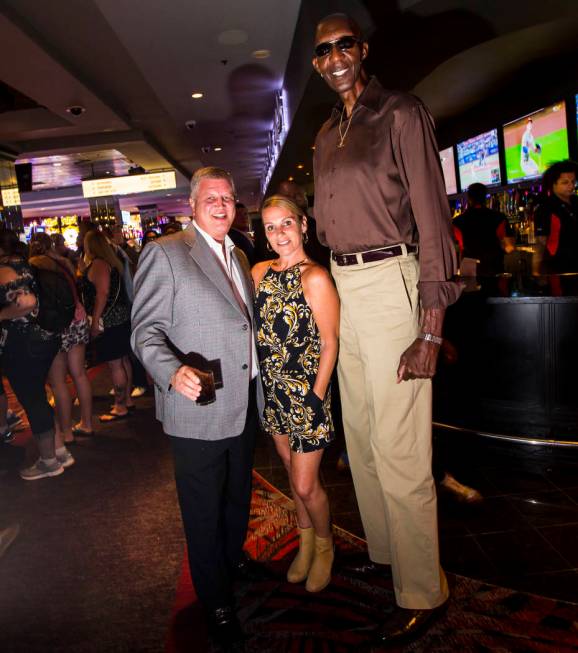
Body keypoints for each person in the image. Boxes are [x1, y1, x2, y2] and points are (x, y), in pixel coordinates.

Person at [311, 14, 462, 645]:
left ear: (363, 50)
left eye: (345, 44)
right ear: (318, 64)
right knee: (365, 441)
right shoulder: (323, 134)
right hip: (344, 289)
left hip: (393, 283)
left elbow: (433, 222)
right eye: (323, 51)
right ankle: (387, 557)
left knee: (401, 451)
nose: (335, 56)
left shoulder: (400, 112)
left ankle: (425, 589)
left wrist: (430, 330)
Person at [131, 166, 262, 648]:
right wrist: (170, 370)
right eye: (212, 198)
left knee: (237, 497)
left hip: (243, 402)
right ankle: (216, 602)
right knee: (203, 511)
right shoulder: (165, 254)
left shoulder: (239, 255)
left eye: (228, 198)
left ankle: (231, 561)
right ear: (192, 205)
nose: (222, 206)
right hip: (198, 406)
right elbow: (144, 330)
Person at [252, 195, 339, 592]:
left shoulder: (315, 276)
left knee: (306, 484)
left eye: (286, 223)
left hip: (308, 396)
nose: (279, 233)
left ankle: (324, 545)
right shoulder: (258, 273)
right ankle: (305, 542)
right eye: (270, 227)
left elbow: (330, 342)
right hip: (273, 392)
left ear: (303, 225)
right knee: (290, 473)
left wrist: (316, 399)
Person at [0, 229, 64, 480]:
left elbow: (26, 302)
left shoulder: (4, 269)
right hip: (40, 339)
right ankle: (57, 452)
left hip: (22, 344)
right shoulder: (21, 264)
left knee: (33, 399)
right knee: (38, 395)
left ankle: (49, 461)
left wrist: (2, 315)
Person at [29, 232, 92, 446]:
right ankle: (87, 423)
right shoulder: (64, 263)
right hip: (76, 318)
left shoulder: (34, 266)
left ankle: (66, 432)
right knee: (79, 375)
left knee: (58, 383)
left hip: (54, 325)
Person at [81, 230, 134, 422]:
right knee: (123, 360)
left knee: (115, 365)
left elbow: (102, 294)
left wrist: (95, 321)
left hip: (110, 320)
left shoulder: (99, 264)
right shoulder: (113, 262)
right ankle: (126, 400)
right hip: (121, 316)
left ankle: (120, 406)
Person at [453, 183, 514, 276]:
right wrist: (498, 252)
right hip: (493, 268)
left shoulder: (457, 221)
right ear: (485, 197)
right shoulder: (499, 217)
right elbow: (510, 247)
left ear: (469, 198)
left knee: (470, 290)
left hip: (469, 270)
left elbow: (453, 247)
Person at [534, 160, 578, 273]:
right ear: (553, 183)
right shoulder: (545, 208)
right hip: (558, 269)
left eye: (573, 181)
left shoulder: (575, 201)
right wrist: (536, 272)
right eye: (565, 182)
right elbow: (540, 244)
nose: (571, 185)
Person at [277, 180, 330, 268]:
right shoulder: (275, 232)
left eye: (299, 194)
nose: (295, 198)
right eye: (288, 196)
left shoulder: (316, 224)